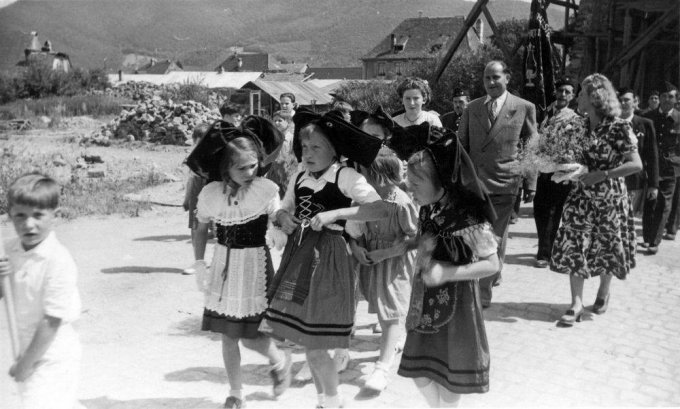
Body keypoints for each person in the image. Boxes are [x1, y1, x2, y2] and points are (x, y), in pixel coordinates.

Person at [263, 108, 384, 408]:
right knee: (307, 342)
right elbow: (283, 208)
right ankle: (324, 401)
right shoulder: (299, 176)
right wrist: (282, 217)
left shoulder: (346, 176)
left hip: (329, 259)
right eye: (305, 147)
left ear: (334, 151)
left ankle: (332, 402)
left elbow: (380, 209)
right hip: (298, 259)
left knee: (316, 346)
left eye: (317, 147)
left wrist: (336, 213)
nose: (308, 153)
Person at [388, 127, 499, 408]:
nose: (408, 188)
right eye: (408, 181)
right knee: (419, 370)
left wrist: (449, 272)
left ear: (442, 181)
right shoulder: (428, 207)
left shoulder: (468, 218)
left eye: (416, 182)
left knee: (451, 374)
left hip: (458, 306)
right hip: (424, 299)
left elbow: (492, 263)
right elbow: (429, 237)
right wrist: (410, 244)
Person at [185, 119, 291, 409]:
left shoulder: (265, 190)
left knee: (249, 335)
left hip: (256, 266)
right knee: (229, 335)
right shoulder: (211, 194)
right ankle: (236, 393)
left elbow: (277, 215)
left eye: (253, 165)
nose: (249, 172)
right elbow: (201, 226)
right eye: (241, 167)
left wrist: (281, 226)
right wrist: (198, 262)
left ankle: (279, 360)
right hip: (224, 267)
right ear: (225, 168)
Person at [551, 73, 642, 326]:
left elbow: (636, 164)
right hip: (580, 197)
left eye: (580, 93)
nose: (577, 97)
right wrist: (565, 169)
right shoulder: (579, 126)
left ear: (594, 97)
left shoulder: (619, 126)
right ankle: (576, 303)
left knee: (607, 246)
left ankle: (603, 291)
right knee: (575, 244)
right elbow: (570, 156)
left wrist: (602, 174)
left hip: (609, 198)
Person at [457, 60, 538, 307]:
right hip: (475, 185)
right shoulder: (472, 108)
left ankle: (483, 292)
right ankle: (487, 276)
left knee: (493, 237)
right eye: (487, 78)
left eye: (496, 77)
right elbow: (461, 146)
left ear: (507, 78)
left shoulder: (523, 107)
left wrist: (530, 182)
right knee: (475, 236)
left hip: (505, 183)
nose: (491, 82)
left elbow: (531, 148)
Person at [0, 174, 82, 409]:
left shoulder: (58, 261)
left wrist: (26, 364)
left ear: (55, 216)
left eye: (38, 215)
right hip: (25, 344)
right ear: (10, 217)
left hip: (55, 352)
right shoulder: (9, 251)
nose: (28, 224)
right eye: (20, 216)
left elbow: (51, 321)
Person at [348, 147, 417, 393]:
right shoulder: (364, 199)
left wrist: (385, 253)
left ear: (378, 176)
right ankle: (397, 337)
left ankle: (382, 367)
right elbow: (354, 229)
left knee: (390, 310)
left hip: (394, 262)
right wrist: (356, 248)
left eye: (364, 174)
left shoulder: (400, 202)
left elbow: (413, 237)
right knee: (381, 305)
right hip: (370, 260)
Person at [532, 77, 581, 268]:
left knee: (553, 212)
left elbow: (576, 145)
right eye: (560, 91)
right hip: (542, 170)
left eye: (567, 92)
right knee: (539, 210)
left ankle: (544, 253)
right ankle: (546, 246)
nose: (563, 95)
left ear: (572, 96)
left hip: (560, 172)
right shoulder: (546, 114)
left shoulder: (574, 118)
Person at [642, 85, 680, 252]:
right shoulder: (648, 117)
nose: (666, 99)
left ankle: (654, 242)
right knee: (650, 201)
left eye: (670, 97)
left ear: (676, 100)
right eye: (663, 96)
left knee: (664, 203)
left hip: (671, 168)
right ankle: (647, 236)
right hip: (650, 166)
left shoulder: (679, 118)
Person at [619, 88, 659, 218]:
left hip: (635, 180)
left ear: (635, 102)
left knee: (627, 218)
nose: (623, 103)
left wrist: (654, 185)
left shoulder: (645, 124)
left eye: (627, 100)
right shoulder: (609, 123)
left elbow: (652, 156)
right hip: (611, 180)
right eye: (620, 100)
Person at [182, 124, 211, 275]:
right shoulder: (192, 158)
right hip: (196, 192)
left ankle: (221, 261)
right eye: (199, 142)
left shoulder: (216, 155)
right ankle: (198, 260)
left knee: (220, 227)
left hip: (213, 191)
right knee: (196, 226)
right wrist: (187, 198)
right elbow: (190, 180)